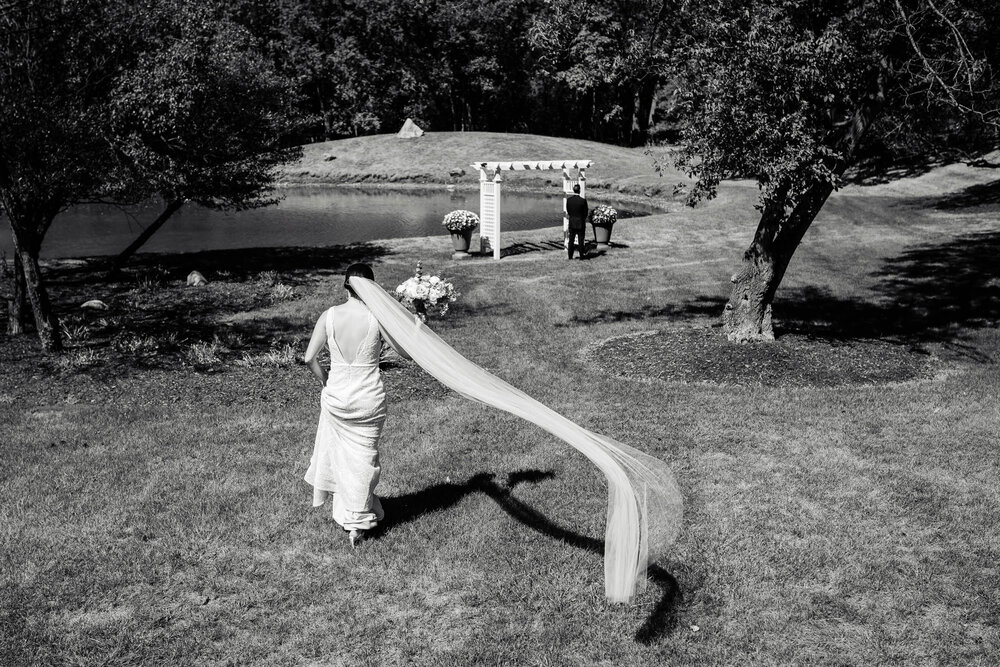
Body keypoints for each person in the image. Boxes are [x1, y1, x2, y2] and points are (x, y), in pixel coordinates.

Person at [303, 262, 409, 547]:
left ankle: (355, 514)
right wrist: (415, 329)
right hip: (368, 399)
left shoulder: (329, 315)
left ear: (345, 285)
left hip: (337, 398)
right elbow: (405, 353)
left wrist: (326, 381)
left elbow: (309, 358)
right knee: (364, 457)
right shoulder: (377, 318)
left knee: (341, 457)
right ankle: (358, 520)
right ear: (371, 287)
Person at [565, 183, 589, 260]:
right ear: (579, 190)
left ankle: (570, 256)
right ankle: (582, 256)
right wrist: (582, 219)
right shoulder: (583, 201)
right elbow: (586, 213)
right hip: (580, 223)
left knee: (571, 240)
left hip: (572, 222)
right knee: (580, 240)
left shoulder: (569, 200)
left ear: (573, 190)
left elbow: (568, 211)